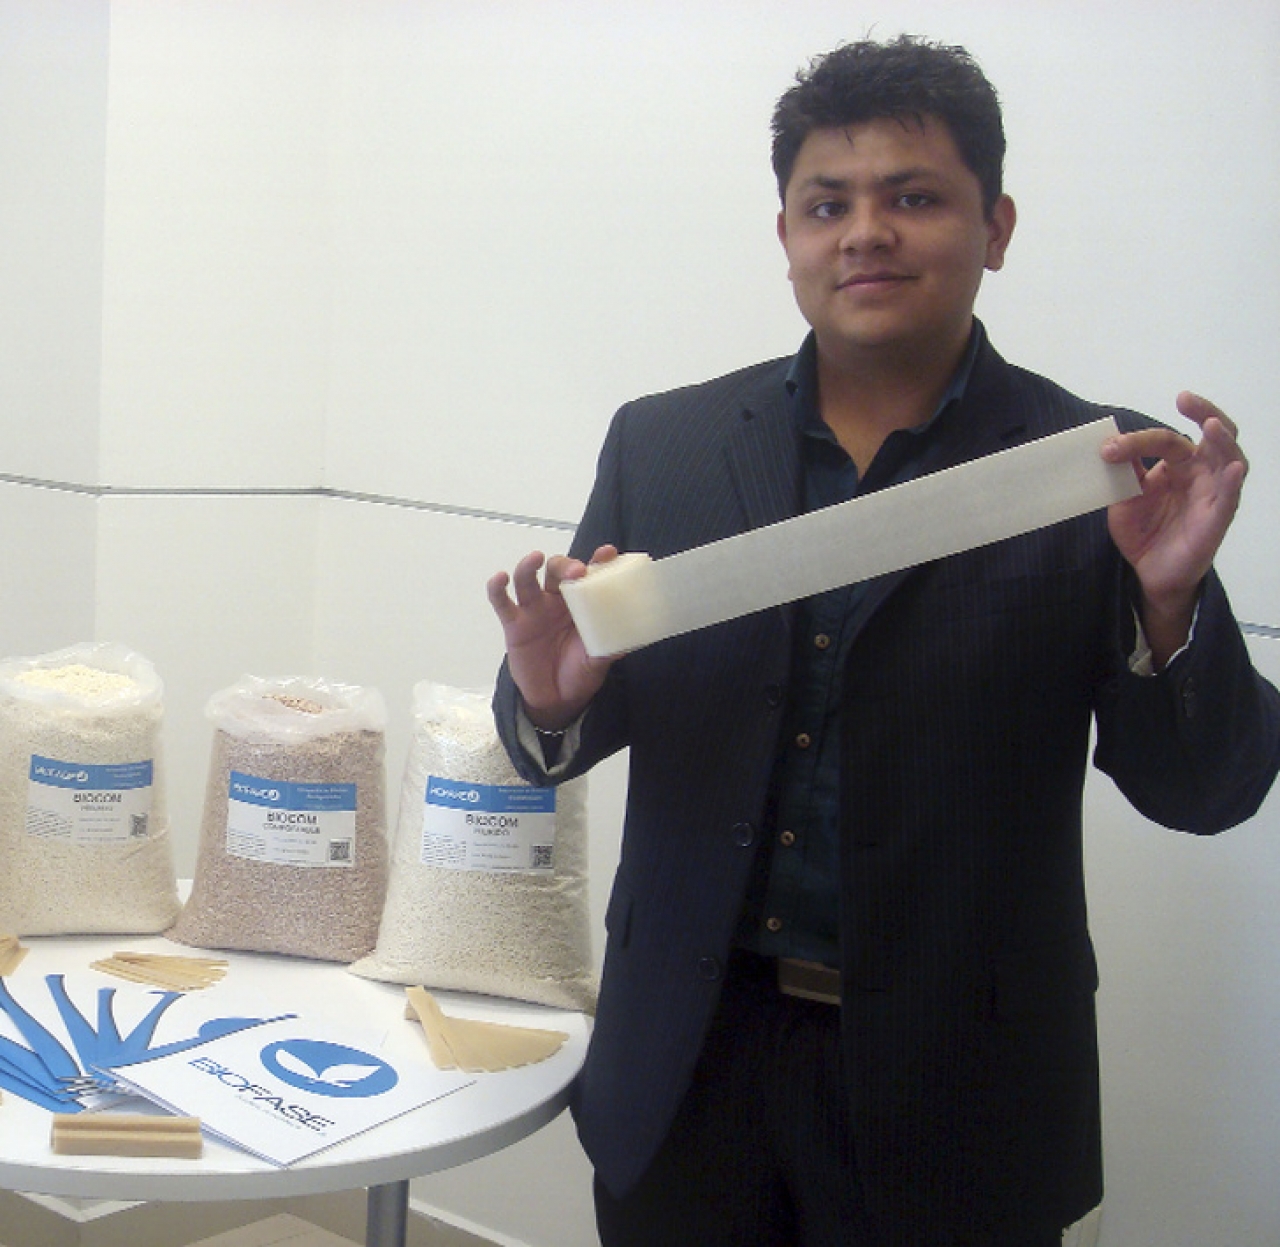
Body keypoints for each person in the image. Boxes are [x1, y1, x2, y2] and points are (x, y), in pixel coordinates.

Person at [485, 35, 1280, 1247]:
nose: (865, 233)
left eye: (913, 198)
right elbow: (554, 723)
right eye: (827, 205)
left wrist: (1167, 609)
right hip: (688, 1064)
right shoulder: (664, 446)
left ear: (994, 226)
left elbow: (1204, 789)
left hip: (960, 1089)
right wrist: (550, 701)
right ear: (786, 237)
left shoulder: (1096, 470)